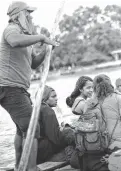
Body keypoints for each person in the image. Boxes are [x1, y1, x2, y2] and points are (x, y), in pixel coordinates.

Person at [0, 2, 57, 170]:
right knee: (33, 128)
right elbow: (15, 41)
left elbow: (33, 64)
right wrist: (41, 37)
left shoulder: (26, 37)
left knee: (22, 129)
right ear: (18, 15)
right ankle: (30, 168)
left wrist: (47, 49)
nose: (31, 16)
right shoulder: (12, 29)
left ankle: (20, 166)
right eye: (28, 13)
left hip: (17, 89)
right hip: (9, 88)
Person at [38, 86, 74, 164]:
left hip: (38, 149)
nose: (56, 98)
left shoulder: (38, 108)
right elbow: (56, 139)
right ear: (44, 98)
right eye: (53, 96)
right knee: (70, 133)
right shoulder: (48, 111)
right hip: (45, 151)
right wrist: (65, 130)